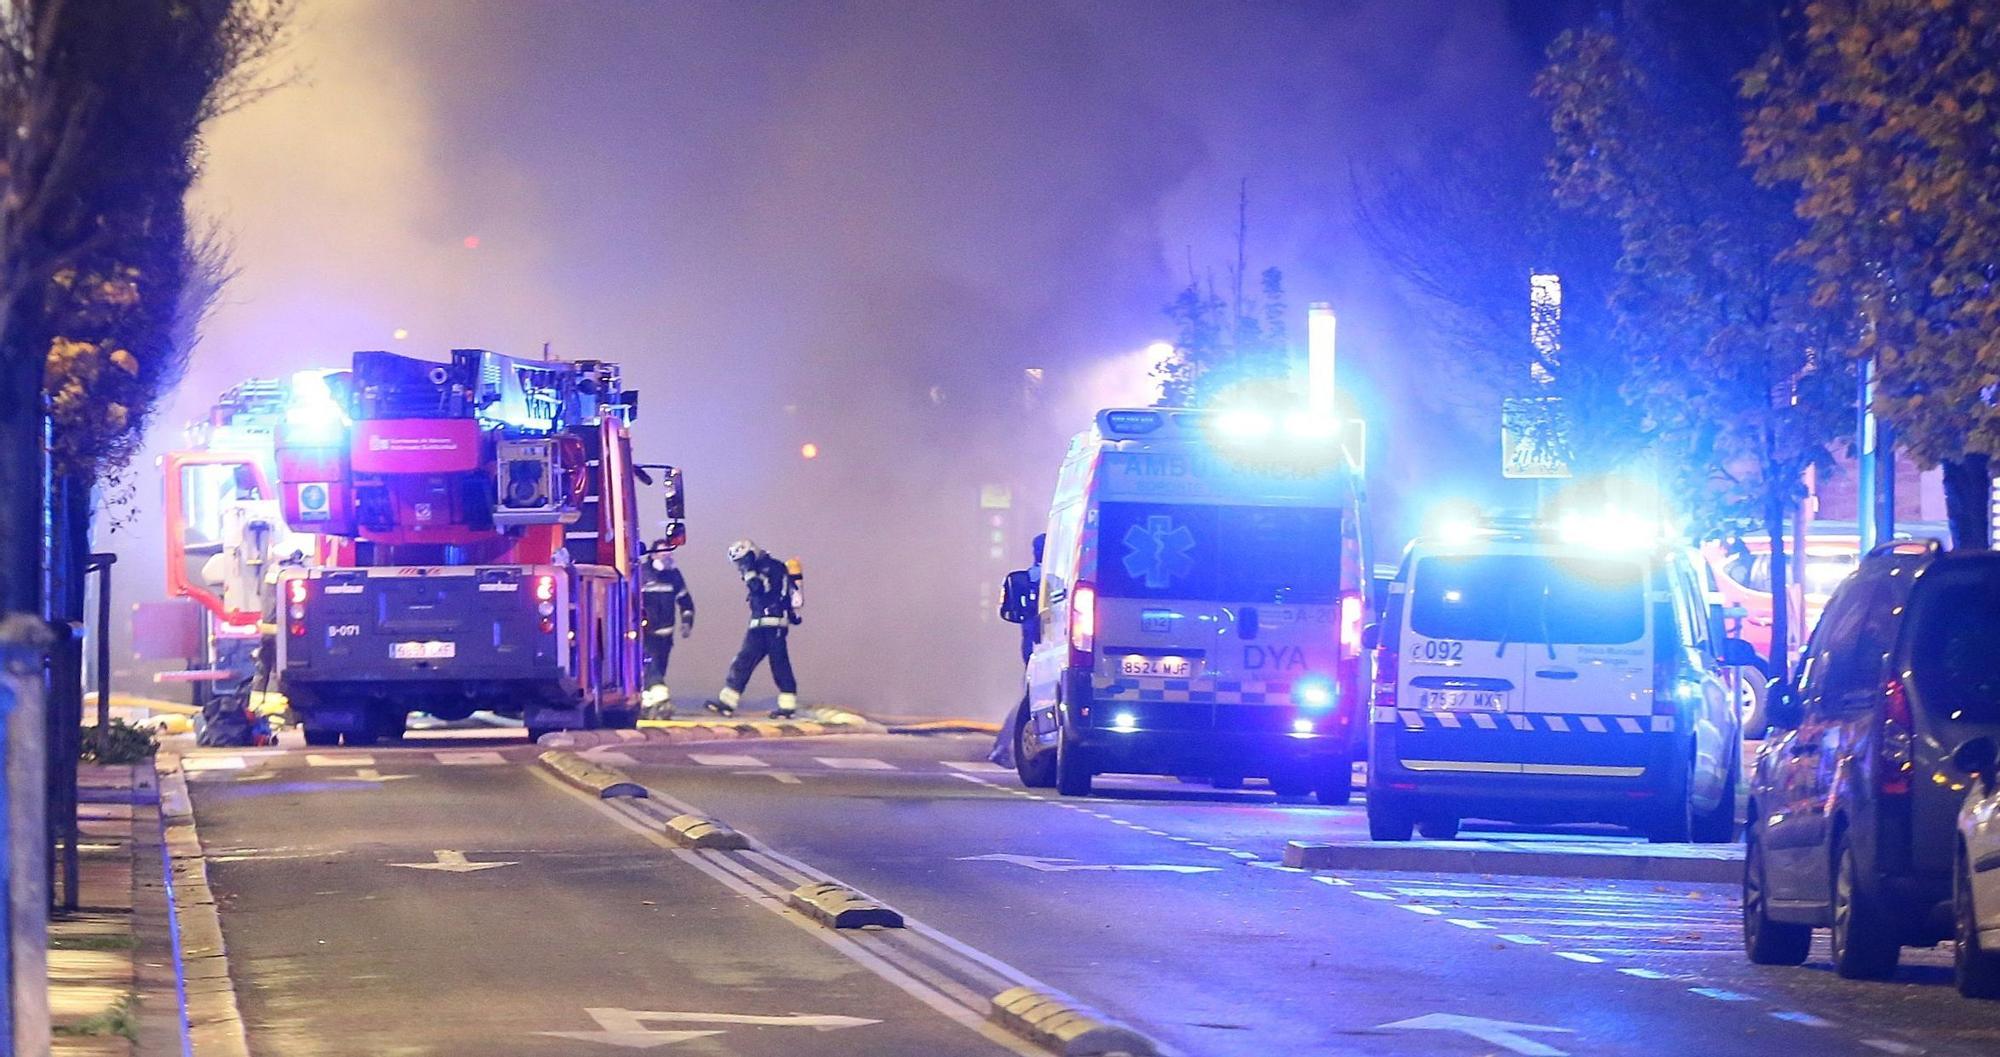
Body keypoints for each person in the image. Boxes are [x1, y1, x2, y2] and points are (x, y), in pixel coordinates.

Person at [705, 538, 802, 718]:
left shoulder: (774, 567)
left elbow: (760, 589)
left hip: (774, 624)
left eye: (742, 561)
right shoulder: (757, 568)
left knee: (779, 664)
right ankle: (727, 703)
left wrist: (749, 571)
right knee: (743, 661)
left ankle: (788, 707)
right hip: (758, 624)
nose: (740, 566)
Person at [990, 534, 1045, 766]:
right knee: (1029, 701)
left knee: (1029, 699)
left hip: (1034, 646)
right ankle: (1003, 747)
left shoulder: (1031, 576)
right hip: (1042, 647)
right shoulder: (1049, 576)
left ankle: (1002, 747)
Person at [640, 540, 695, 718]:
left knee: (659, 670)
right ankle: (662, 702)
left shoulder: (674, 576)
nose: (667, 556)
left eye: (669, 553)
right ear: (653, 554)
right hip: (646, 635)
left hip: (666, 636)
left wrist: (687, 622)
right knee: (652, 669)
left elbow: (686, 602)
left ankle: (647, 705)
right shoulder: (641, 574)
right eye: (663, 552)